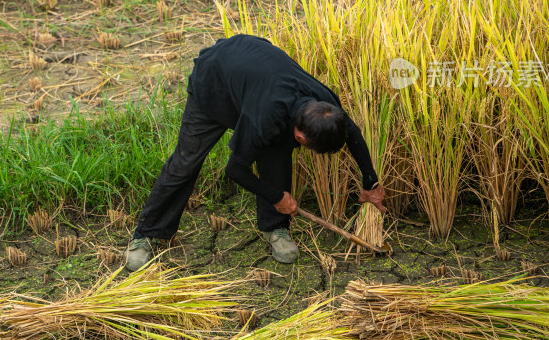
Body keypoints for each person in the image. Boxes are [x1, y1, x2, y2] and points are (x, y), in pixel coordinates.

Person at [124, 34, 386, 271]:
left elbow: (353, 133)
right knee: (186, 161)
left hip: (253, 75)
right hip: (214, 83)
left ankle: (276, 229)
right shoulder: (264, 119)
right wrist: (276, 196)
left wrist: (370, 182)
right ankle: (146, 234)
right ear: (301, 135)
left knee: (277, 153)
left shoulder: (325, 106)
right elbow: (235, 169)